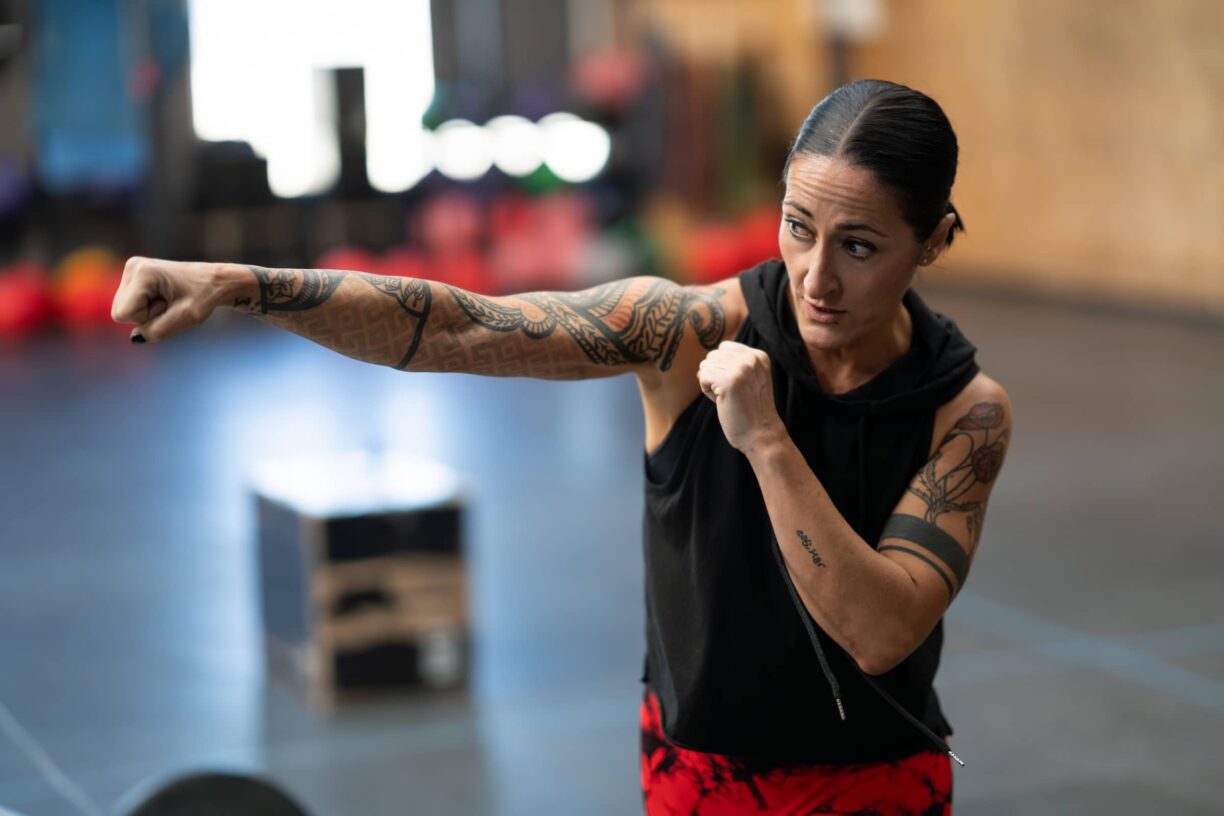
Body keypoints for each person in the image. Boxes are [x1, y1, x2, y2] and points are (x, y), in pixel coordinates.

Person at [112, 79, 1012, 815]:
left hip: (883, 782)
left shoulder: (965, 414)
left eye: (858, 246)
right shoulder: (687, 331)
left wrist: (767, 440)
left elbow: (879, 632)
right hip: (707, 778)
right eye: (798, 226)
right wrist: (242, 283)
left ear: (932, 241)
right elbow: (464, 328)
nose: (816, 278)